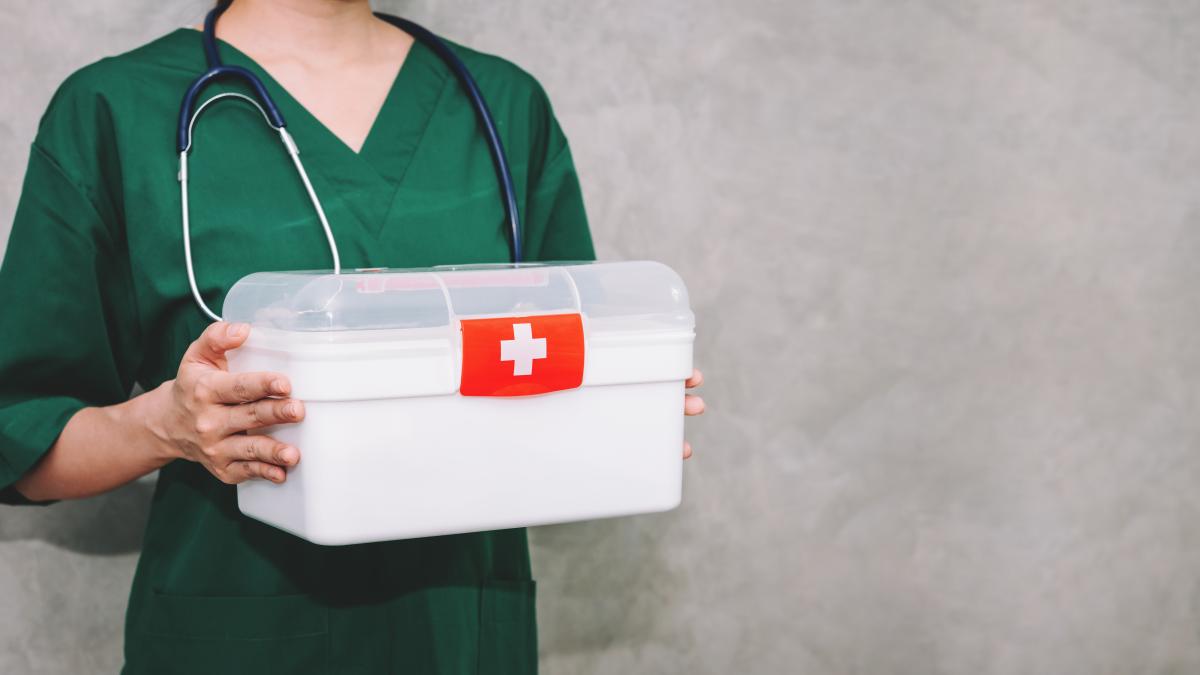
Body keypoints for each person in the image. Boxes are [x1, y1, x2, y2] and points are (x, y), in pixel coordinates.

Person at [0, 0, 705, 673]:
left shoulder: (504, 108)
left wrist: (615, 412)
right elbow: (18, 432)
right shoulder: (115, 110)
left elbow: (566, 351)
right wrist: (166, 426)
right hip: (243, 637)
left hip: (460, 636)